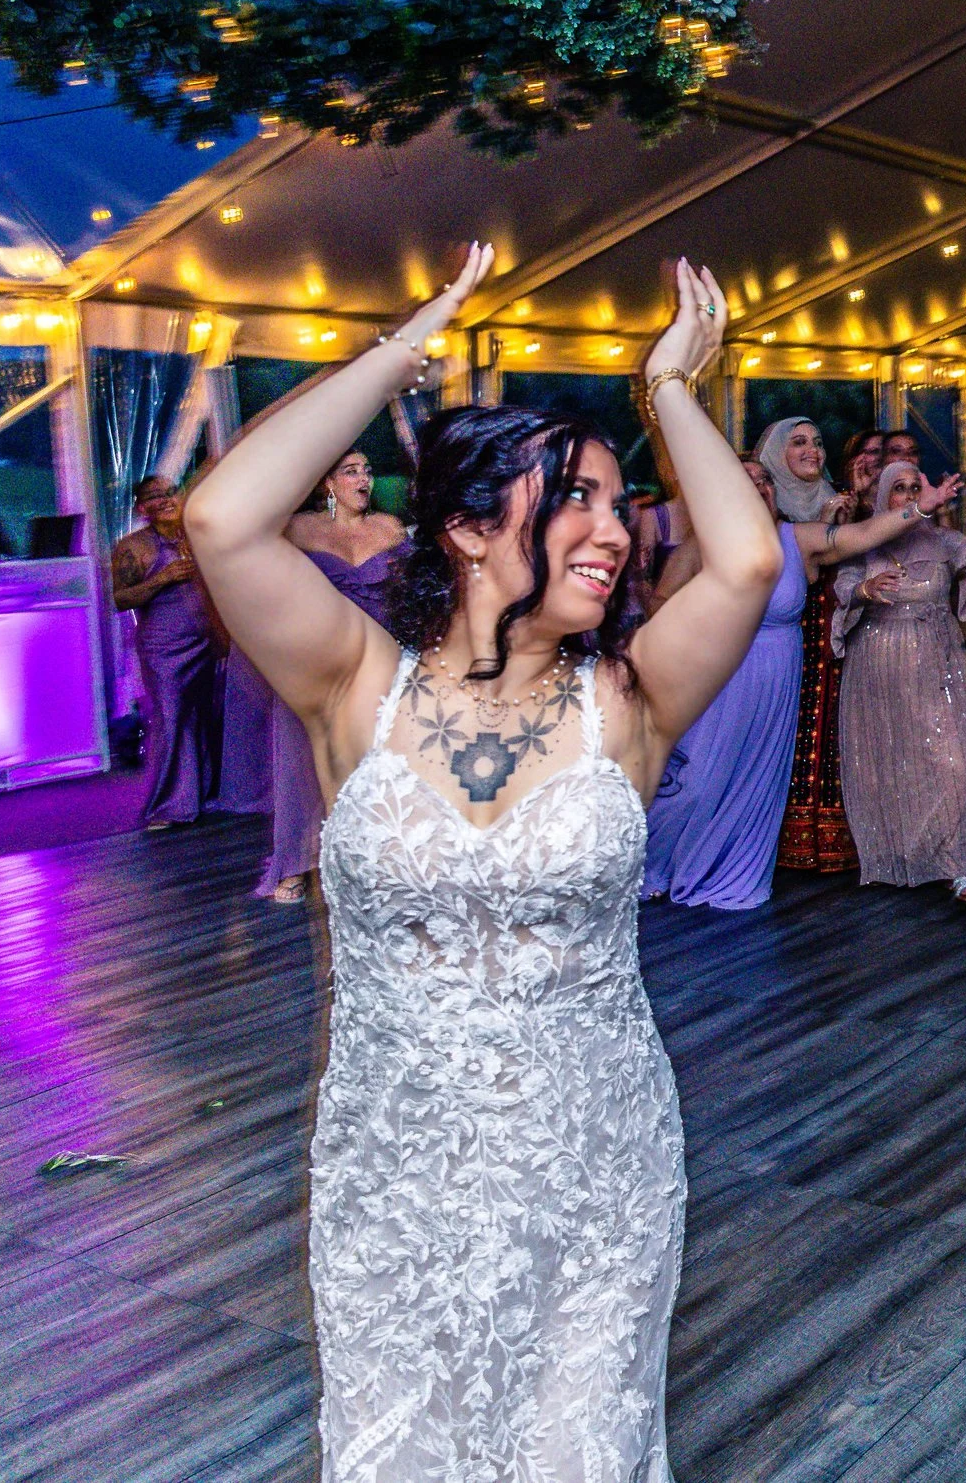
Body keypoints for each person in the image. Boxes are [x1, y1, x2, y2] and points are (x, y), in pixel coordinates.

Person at [185, 248, 779, 1476]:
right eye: (578, 498)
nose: (614, 532)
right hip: (394, 1175)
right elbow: (221, 517)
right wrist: (408, 347)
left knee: (581, 1442)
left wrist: (668, 389)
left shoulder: (628, 696)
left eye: (621, 503)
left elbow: (747, 564)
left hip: (595, 1160)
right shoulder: (350, 681)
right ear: (463, 526)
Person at [646, 456, 960, 909]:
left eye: (765, 481)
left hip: (777, 678)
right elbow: (659, 600)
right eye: (746, 481)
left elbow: (864, 535)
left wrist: (922, 508)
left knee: (754, 782)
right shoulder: (703, 546)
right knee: (695, 779)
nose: (759, 488)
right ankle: (653, 863)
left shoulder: (799, 539)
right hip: (718, 674)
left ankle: (729, 870)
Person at [830, 461, 966, 900]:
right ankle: (901, 856)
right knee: (889, 761)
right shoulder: (865, 543)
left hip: (936, 660)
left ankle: (960, 865)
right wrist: (865, 590)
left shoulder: (943, 539)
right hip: (877, 663)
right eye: (900, 489)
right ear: (883, 498)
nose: (910, 496)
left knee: (952, 759)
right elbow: (842, 587)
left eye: (917, 486)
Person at [253, 449, 409, 904]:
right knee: (301, 760)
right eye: (351, 471)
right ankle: (296, 863)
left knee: (376, 761)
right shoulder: (299, 529)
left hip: (378, 657)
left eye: (368, 470)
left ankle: (378, 861)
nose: (364, 479)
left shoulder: (390, 528)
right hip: (315, 660)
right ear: (328, 483)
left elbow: (412, 594)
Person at [775, 418, 862, 875]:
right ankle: (782, 841)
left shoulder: (839, 500)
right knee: (789, 731)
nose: (813, 450)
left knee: (837, 728)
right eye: (799, 442)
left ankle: (837, 839)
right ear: (775, 454)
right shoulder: (768, 511)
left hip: (840, 629)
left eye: (818, 442)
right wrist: (824, 527)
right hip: (789, 634)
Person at [110, 474, 218, 830]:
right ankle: (168, 806)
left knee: (209, 717)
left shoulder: (201, 535)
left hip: (209, 640)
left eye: (171, 492)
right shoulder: (132, 547)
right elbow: (119, 599)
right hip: (165, 648)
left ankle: (209, 795)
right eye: (154, 496)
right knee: (172, 722)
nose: (166, 499)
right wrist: (162, 578)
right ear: (142, 509)